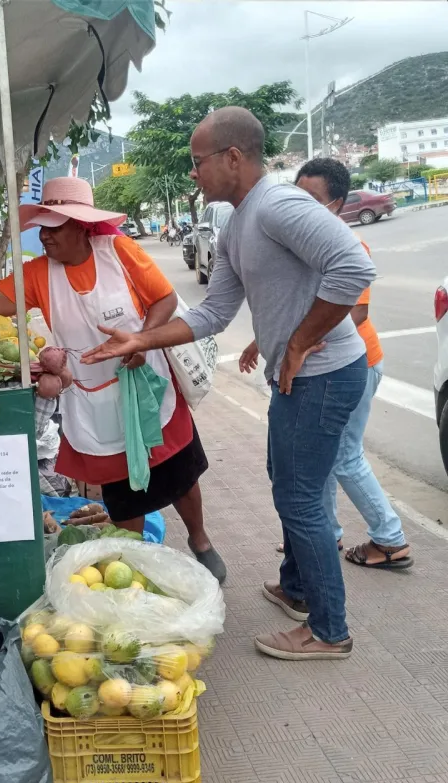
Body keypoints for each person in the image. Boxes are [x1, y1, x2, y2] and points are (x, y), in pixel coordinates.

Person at [81, 107, 376, 660]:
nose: (192, 173)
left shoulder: (279, 204)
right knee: (285, 482)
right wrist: (138, 341)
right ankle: (297, 588)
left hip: (326, 374)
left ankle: (329, 629)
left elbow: (353, 269)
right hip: (300, 376)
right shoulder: (239, 221)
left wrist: (297, 341)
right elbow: (214, 311)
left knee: (302, 498)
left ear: (233, 158)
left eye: (198, 162)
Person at [0, 176, 226, 582]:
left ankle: (201, 539)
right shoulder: (36, 275)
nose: (44, 237)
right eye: (42, 228)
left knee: (177, 470)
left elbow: (165, 299)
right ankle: (133, 564)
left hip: (146, 384)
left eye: (55, 227)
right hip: (94, 399)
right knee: (122, 487)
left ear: (82, 225)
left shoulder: (118, 251)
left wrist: (141, 340)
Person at [239, 158, 413, 569]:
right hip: (318, 361)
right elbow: (299, 305)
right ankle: (324, 534)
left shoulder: (348, 245)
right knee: (319, 460)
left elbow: (355, 315)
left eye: (312, 199)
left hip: (354, 363)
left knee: (342, 457)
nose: (299, 206)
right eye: (295, 195)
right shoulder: (299, 239)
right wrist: (261, 340)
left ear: (336, 205)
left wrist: (303, 340)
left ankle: (390, 538)